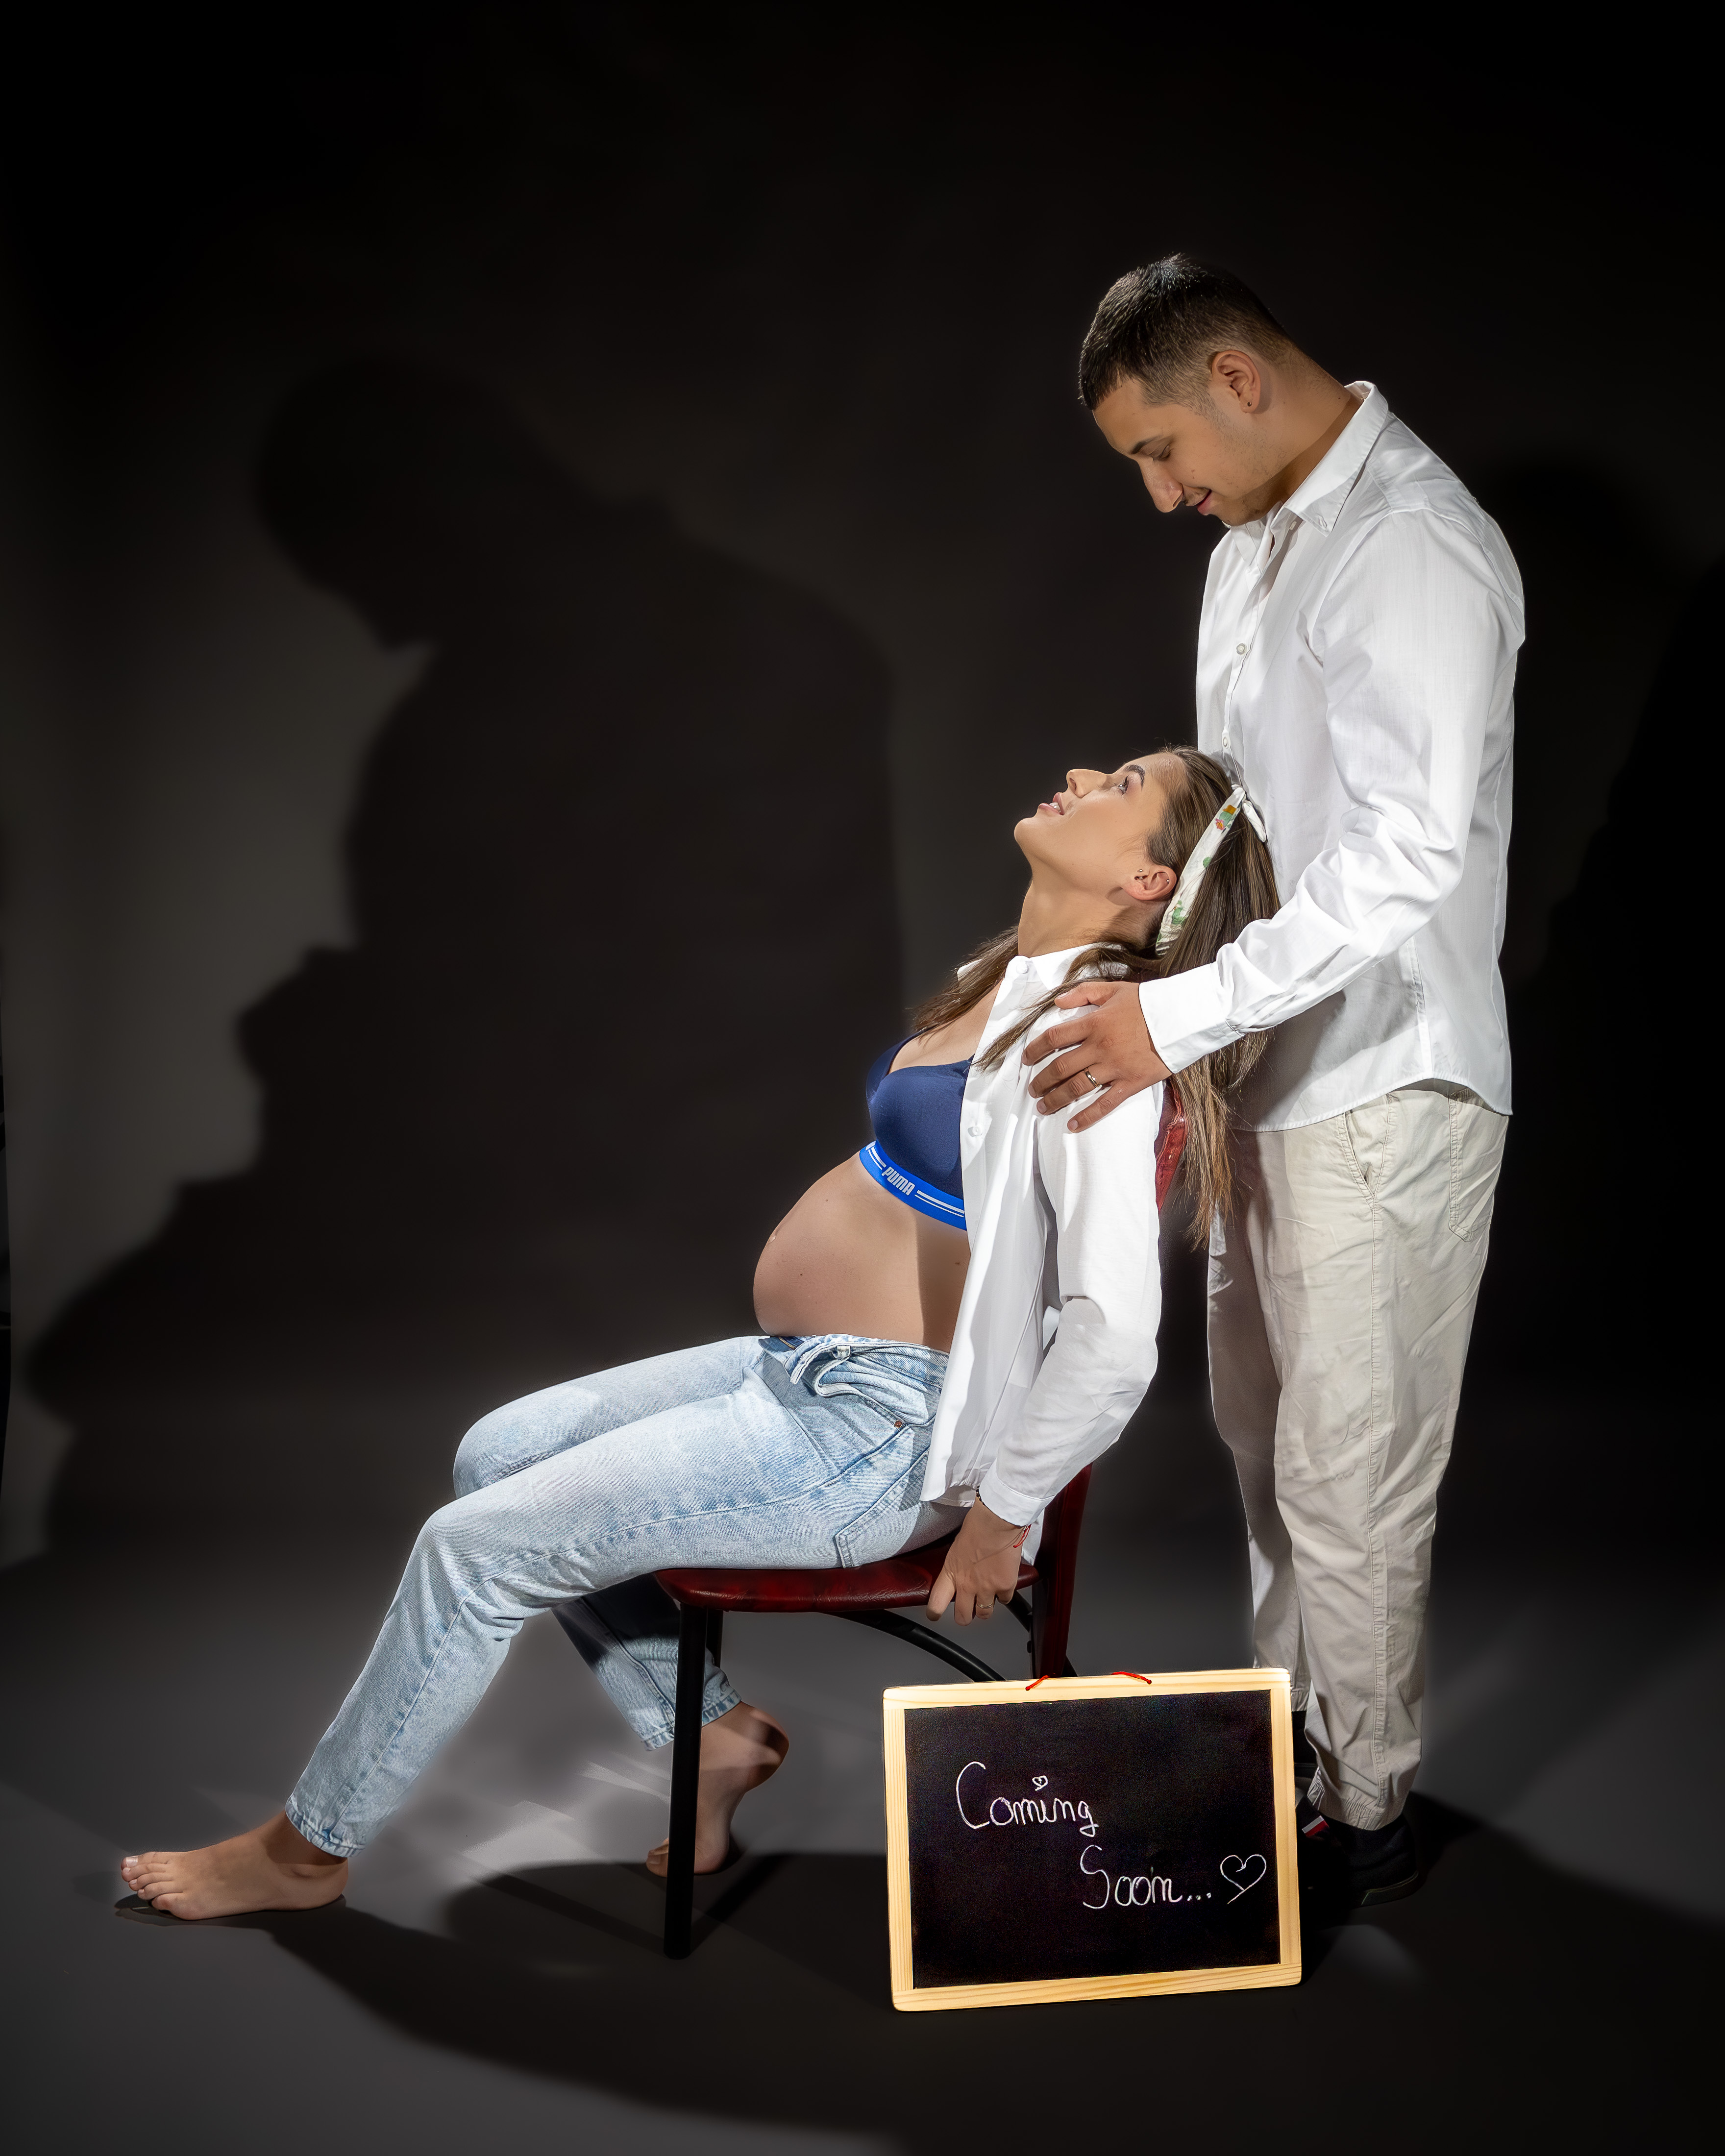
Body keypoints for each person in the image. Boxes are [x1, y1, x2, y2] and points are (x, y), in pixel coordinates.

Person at [121, 744, 1279, 1920]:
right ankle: (713, 1737)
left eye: (1123, 785)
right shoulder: (1014, 976)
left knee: (470, 1550)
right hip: (801, 1373)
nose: (1082, 772)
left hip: (881, 1434)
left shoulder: (1092, 1040)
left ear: (1146, 881)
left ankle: (305, 1852)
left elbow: (1114, 1335)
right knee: (492, 1455)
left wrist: (1002, 1514)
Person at [1023, 256, 1520, 1907]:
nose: (1163, 495)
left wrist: (1175, 1022)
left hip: (1389, 1082)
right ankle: (1288, 1755)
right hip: (1265, 1073)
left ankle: (1363, 1816)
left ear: (1235, 377)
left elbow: (1404, 858)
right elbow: (1244, 835)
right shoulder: (1250, 551)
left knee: (1347, 1472)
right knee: (1261, 1443)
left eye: (1161, 450)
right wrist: (1155, 986)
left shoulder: (1411, 546)